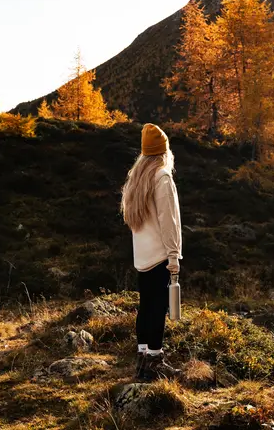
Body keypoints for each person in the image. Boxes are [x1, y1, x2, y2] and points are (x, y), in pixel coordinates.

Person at [121, 123, 182, 381]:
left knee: (145, 307)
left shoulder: (136, 179)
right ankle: (155, 363)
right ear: (164, 151)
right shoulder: (162, 177)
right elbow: (169, 221)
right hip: (160, 255)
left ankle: (143, 359)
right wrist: (173, 255)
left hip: (142, 257)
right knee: (158, 308)